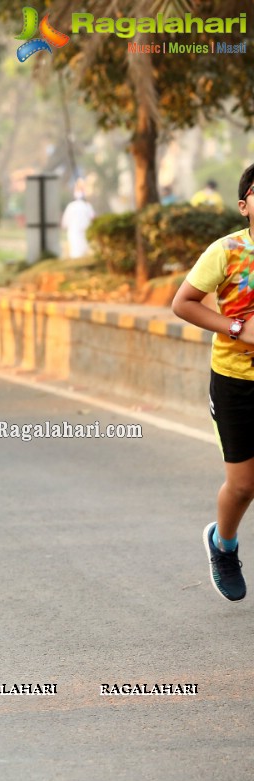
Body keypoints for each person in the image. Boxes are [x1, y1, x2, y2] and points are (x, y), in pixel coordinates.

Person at [170, 162, 254, 603]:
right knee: (244, 486)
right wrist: (237, 329)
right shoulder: (227, 251)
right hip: (237, 380)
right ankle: (223, 544)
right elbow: (183, 304)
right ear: (244, 206)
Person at [61, 190, 95, 259]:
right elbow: (93, 218)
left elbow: (65, 219)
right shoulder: (87, 205)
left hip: (74, 229)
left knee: (75, 247)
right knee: (83, 246)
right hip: (84, 229)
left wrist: (64, 226)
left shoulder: (71, 206)